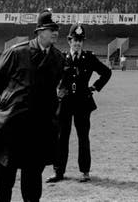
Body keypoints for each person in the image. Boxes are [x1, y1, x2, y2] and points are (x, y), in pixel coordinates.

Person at [0, 9, 64, 202]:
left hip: (39, 127)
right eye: (51, 28)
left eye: (56, 28)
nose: (55, 32)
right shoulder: (17, 52)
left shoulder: (58, 58)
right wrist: (10, 102)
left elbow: (53, 85)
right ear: (39, 31)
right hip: (14, 125)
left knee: (32, 180)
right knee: (5, 178)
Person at [46, 24, 112, 184]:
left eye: (80, 41)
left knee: (83, 138)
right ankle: (58, 171)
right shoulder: (61, 57)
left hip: (83, 102)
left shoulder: (89, 58)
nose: (78, 43)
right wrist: (57, 89)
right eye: (75, 40)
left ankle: (85, 172)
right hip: (65, 103)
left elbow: (106, 72)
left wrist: (94, 87)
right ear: (69, 41)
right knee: (62, 138)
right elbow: (50, 75)